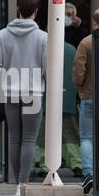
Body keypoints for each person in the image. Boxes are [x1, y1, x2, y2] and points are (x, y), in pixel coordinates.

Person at [0, 0, 47, 196]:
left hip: (11, 92)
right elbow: (48, 69)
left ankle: (16, 184)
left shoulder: (3, 35)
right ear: (36, 11)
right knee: (29, 139)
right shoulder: (42, 37)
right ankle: (23, 183)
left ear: (18, 10)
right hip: (33, 92)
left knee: (15, 138)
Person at [73, 8, 99, 194]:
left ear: (94, 23)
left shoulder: (85, 43)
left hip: (88, 96)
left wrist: (80, 87)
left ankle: (88, 173)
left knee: (87, 137)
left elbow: (78, 73)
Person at [36, 41, 83, 178]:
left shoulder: (43, 48)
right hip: (67, 96)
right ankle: (76, 164)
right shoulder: (72, 49)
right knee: (70, 134)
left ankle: (46, 166)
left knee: (45, 133)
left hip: (45, 96)